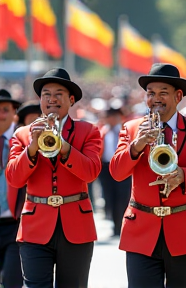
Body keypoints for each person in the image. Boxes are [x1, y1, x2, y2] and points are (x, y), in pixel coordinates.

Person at [109, 63, 186, 288]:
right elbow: (117, 172)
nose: (155, 99)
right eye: (150, 93)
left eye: (162, 93)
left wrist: (183, 175)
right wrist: (137, 144)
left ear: (178, 96)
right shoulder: (131, 129)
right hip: (141, 231)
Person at [6, 68, 102, 288]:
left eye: (59, 94)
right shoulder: (22, 134)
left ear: (70, 100)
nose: (52, 99)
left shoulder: (88, 131)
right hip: (35, 226)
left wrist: (63, 146)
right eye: (46, 94)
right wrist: (32, 146)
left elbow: (91, 172)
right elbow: (14, 178)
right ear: (40, 100)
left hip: (76, 225)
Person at [0, 89, 23, 287]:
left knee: (12, 281)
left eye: (5, 109)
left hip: (17, 223)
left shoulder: (25, 138)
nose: (1, 115)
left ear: (15, 112)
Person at [99, 106, 131, 236]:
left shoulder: (125, 132)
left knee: (122, 196)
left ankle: (123, 224)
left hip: (121, 166)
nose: (111, 120)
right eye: (109, 117)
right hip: (105, 168)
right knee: (109, 196)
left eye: (114, 117)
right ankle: (115, 225)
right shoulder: (103, 132)